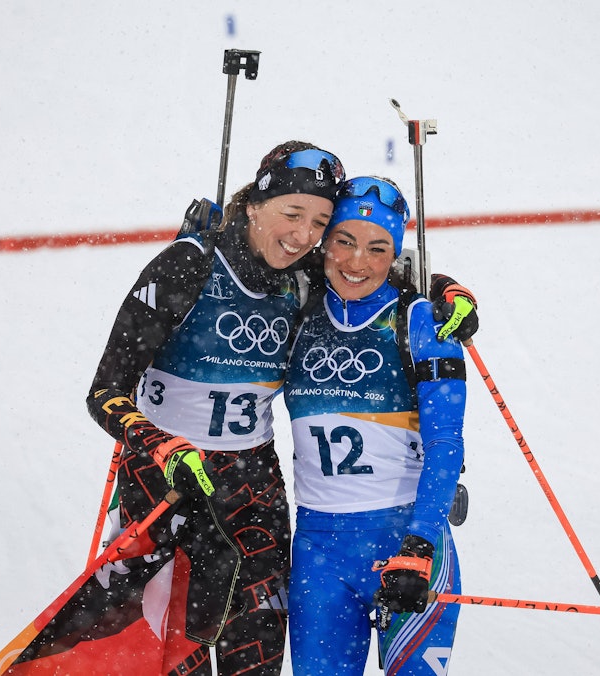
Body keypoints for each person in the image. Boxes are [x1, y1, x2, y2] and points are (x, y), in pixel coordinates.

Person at [87, 140, 477, 675]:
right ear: (254, 204)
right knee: (169, 661)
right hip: (169, 485)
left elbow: (374, 270)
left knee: (257, 663)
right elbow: (105, 389)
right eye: (294, 214)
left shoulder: (306, 278)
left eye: (318, 223)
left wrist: (444, 287)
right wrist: (156, 444)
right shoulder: (201, 266)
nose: (303, 236)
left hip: (254, 491)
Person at [283, 176, 467, 675]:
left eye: (377, 248)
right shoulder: (297, 311)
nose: (357, 262)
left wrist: (419, 545)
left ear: (395, 254)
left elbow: (446, 443)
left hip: (407, 541)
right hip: (319, 550)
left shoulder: (422, 321)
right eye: (344, 241)